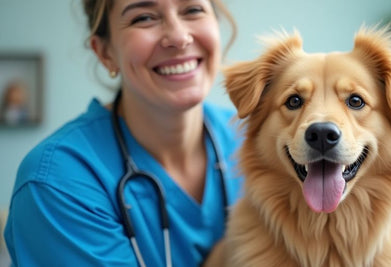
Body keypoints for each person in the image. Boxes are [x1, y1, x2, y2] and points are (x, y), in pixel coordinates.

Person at [3, 0, 243, 266]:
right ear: (104, 52)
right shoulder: (56, 181)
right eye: (144, 18)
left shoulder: (257, 141)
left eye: (193, 10)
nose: (178, 37)